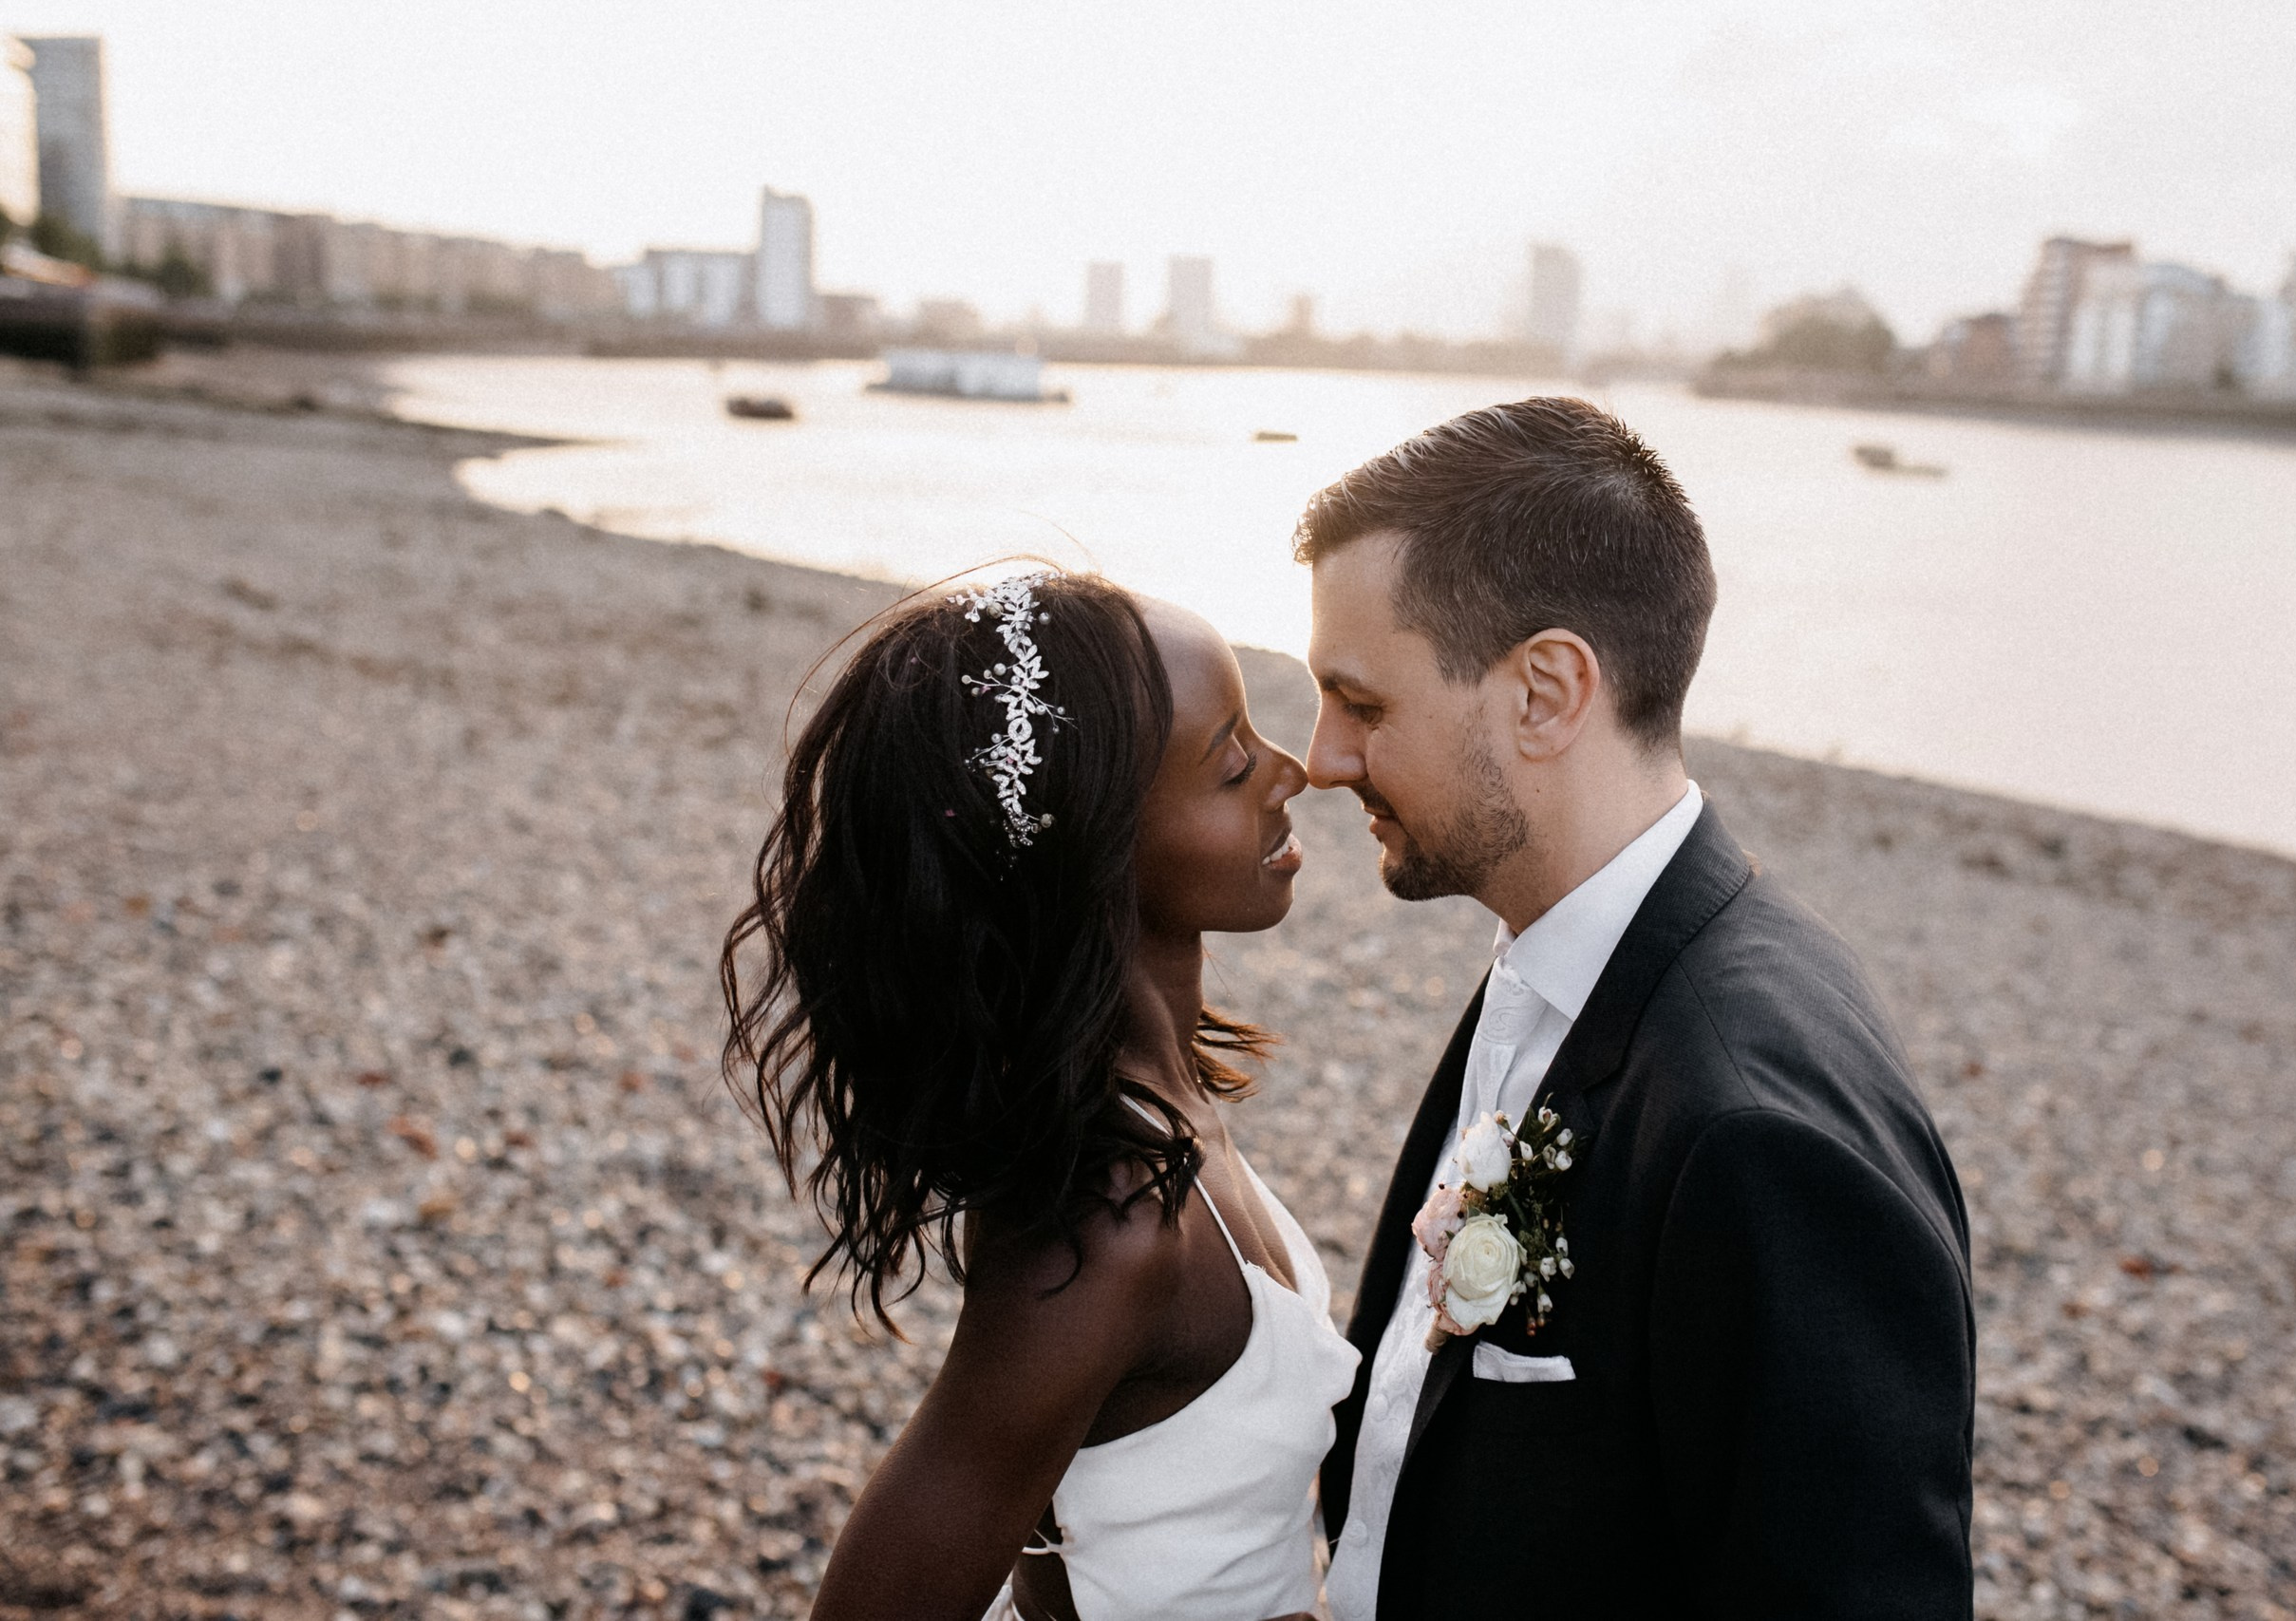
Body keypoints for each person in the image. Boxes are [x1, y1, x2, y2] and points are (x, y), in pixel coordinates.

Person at [1301, 398, 1977, 1617]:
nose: (1321, 756)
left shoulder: (1753, 1129)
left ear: (1548, 691)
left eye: (1364, 703)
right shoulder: (1566, 954)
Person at [722, 570, 1357, 1621]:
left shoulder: (1166, 1106)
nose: (1292, 774)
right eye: (1234, 761)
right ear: (1099, 849)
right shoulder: (1107, 1223)